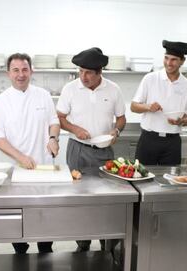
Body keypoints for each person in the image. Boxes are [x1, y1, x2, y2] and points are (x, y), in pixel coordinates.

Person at [56, 47, 126, 252]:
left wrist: (116, 131)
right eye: (80, 71)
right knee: (79, 198)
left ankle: (107, 244)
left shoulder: (113, 89)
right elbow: (59, 118)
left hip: (104, 151)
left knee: (106, 199)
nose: (83, 77)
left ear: (99, 72)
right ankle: (82, 243)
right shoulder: (70, 89)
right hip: (77, 149)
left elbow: (121, 118)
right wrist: (74, 128)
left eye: (88, 72)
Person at [0, 53, 59, 254]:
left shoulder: (43, 95)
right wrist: (20, 157)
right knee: (17, 217)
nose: (21, 74)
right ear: (8, 73)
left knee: (43, 214)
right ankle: (20, 252)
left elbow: (54, 122)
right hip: (15, 170)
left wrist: (53, 139)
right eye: (16, 70)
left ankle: (46, 250)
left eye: (25, 69)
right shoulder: (0, 102)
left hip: (43, 168)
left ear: (31, 71)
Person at [131, 40, 187, 165]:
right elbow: (133, 107)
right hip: (148, 139)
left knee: (169, 178)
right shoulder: (150, 78)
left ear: (182, 61)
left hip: (172, 142)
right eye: (166, 58)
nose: (168, 63)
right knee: (142, 176)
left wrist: (182, 121)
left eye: (174, 59)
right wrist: (148, 107)